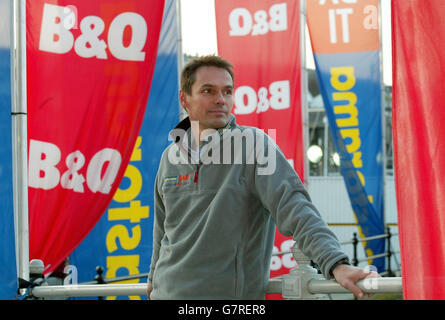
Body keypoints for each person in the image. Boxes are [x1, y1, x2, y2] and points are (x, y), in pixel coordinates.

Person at [147, 55, 379, 300]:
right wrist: (153, 280)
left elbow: (295, 206)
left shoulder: (254, 146)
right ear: (185, 99)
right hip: (165, 294)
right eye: (208, 90)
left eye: (227, 91)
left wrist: (335, 263)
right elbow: (162, 231)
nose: (220, 100)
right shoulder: (169, 157)